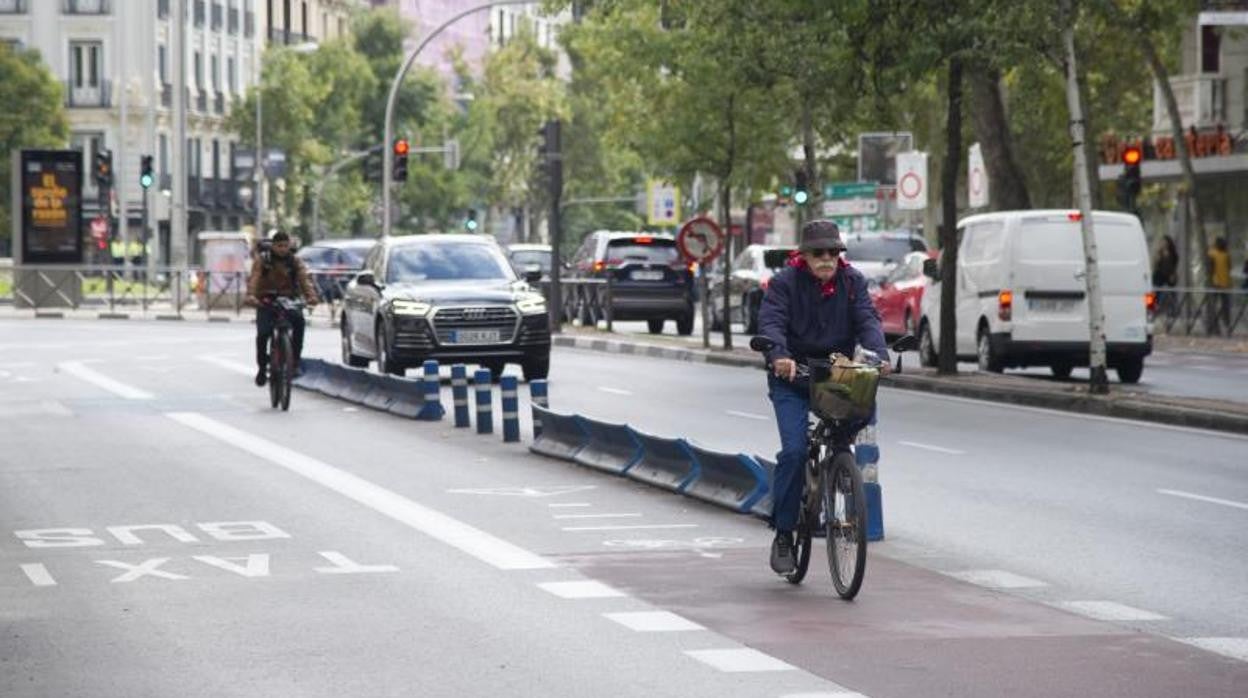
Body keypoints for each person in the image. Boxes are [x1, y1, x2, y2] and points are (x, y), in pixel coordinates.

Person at [757, 220, 890, 575]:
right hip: (793, 376)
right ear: (804, 255)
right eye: (819, 252)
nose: (827, 258)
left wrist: (880, 354)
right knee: (795, 451)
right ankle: (784, 533)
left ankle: (838, 473)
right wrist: (778, 356)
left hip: (836, 375)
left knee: (856, 413)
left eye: (834, 252)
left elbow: (868, 320)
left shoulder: (853, 283)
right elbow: (770, 324)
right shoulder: (784, 283)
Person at [245, 231, 319, 386]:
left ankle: (295, 361)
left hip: (289, 299)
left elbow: (304, 279)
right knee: (263, 333)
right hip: (265, 299)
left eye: (286, 246)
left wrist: (311, 297)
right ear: (273, 245)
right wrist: (251, 296)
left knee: (299, 322)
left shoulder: (295, 261)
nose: (283, 249)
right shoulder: (263, 260)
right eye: (279, 246)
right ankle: (262, 367)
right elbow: (254, 278)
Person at [1208, 237, 1232, 334]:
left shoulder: (1213, 253)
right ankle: (1222, 324)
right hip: (1220, 283)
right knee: (1222, 305)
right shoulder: (1217, 254)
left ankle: (1222, 324)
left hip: (1220, 283)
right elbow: (1229, 267)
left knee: (1221, 305)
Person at [1152, 235, 1179, 317]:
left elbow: (1174, 265)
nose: (1163, 243)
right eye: (1162, 242)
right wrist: (1158, 256)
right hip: (1158, 275)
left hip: (1169, 276)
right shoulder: (1159, 253)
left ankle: (1173, 311)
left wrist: (1173, 275)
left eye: (1165, 241)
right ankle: (1150, 309)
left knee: (1172, 293)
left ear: (1168, 243)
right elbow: (1155, 264)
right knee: (1152, 293)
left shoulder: (1173, 254)